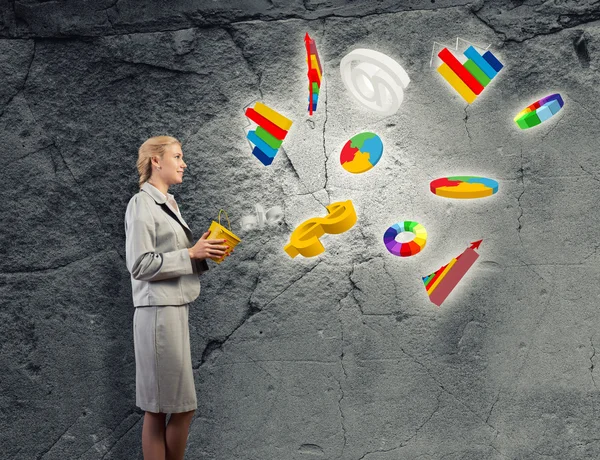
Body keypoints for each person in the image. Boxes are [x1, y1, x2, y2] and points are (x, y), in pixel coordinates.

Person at [124, 135, 229, 460]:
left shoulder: (168, 204)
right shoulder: (141, 204)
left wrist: (201, 252)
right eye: (177, 156)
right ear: (156, 161)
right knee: (162, 410)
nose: (184, 163)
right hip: (157, 316)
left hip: (172, 311)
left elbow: (171, 257)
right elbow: (140, 264)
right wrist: (190, 252)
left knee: (174, 408)